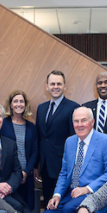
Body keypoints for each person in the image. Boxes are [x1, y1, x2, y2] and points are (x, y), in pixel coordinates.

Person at [37, 70, 79, 199]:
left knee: (62, 204)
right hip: (45, 167)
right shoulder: (41, 108)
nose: (55, 87)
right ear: (47, 87)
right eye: (52, 84)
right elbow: (40, 137)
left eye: (59, 84)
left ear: (64, 87)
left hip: (63, 167)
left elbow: (75, 139)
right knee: (49, 201)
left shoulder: (73, 108)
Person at [0, 90, 38, 213]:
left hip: (27, 177)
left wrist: (26, 172)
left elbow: (34, 151)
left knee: (28, 211)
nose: (19, 104)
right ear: (10, 105)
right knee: (12, 211)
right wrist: (16, 175)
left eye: (21, 101)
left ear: (25, 104)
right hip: (9, 177)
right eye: (15, 101)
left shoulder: (31, 126)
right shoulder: (3, 124)